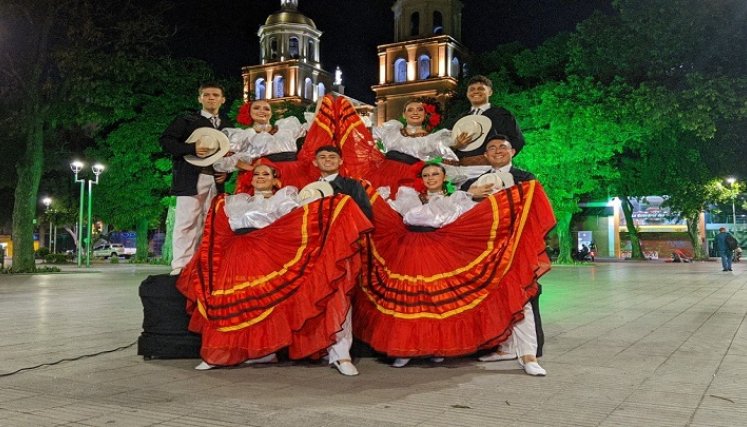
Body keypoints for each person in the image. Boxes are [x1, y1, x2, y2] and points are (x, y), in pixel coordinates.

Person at [354, 155, 555, 373]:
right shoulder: (409, 197)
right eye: (426, 175)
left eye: (435, 174)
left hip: (444, 254)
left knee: (438, 304)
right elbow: (411, 217)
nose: (431, 178)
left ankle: (440, 349)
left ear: (444, 177)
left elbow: (469, 218)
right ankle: (405, 350)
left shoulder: (460, 198)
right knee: (410, 303)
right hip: (410, 255)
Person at [176, 159, 373, 376]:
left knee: (310, 291)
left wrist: (334, 207)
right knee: (233, 305)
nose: (260, 177)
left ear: (276, 180)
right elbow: (220, 228)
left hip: (270, 253)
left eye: (266, 174)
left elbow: (297, 219)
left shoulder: (284, 198)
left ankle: (339, 353)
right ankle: (227, 352)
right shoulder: (235, 201)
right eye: (257, 174)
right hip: (237, 256)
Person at [462, 135, 549, 376]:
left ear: (512, 152)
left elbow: (535, 210)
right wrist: (471, 194)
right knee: (493, 299)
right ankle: (504, 347)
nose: (497, 151)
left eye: (503, 147)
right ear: (486, 155)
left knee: (522, 296)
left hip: (518, 246)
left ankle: (528, 355)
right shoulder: (474, 181)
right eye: (491, 148)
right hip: (488, 249)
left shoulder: (526, 179)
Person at [160, 82, 230, 276]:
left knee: (210, 224)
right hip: (190, 178)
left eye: (215, 95)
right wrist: (191, 149)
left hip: (215, 181)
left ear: (222, 100)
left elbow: (230, 154)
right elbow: (166, 141)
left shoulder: (227, 124)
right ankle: (181, 266)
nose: (211, 98)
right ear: (199, 98)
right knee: (186, 222)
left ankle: (202, 265)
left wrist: (227, 174)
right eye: (206, 94)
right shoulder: (186, 119)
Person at [365, 97, 457, 192]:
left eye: (420, 110)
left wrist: (457, 144)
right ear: (404, 115)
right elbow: (366, 136)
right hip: (383, 174)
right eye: (410, 110)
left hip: (409, 180)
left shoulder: (431, 139)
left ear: (425, 115)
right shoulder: (393, 129)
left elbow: (449, 160)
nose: (415, 112)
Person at [452, 75, 526, 165]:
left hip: (493, 170)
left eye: (481, 88)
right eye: (472, 89)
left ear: (490, 92)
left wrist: (500, 160)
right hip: (463, 172)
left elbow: (517, 140)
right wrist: (455, 146)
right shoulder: (461, 119)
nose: (476, 91)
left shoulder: (501, 114)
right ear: (467, 93)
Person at [313, 145, 373, 220]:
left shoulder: (353, 185)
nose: (327, 159)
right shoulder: (309, 189)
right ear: (315, 162)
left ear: (341, 161)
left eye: (332, 157)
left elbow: (365, 214)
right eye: (322, 157)